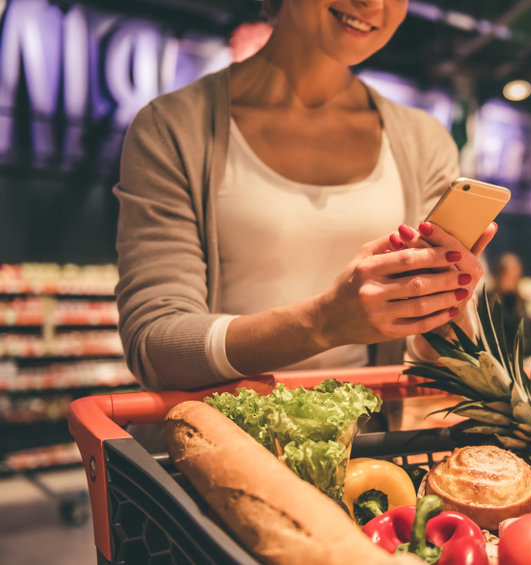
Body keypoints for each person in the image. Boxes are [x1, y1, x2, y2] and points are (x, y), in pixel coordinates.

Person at [113, 0, 497, 391]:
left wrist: (444, 308)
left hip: (366, 445)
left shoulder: (424, 141)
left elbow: (447, 362)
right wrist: (321, 323)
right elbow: (156, 345)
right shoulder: (173, 128)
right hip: (221, 439)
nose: (372, 4)